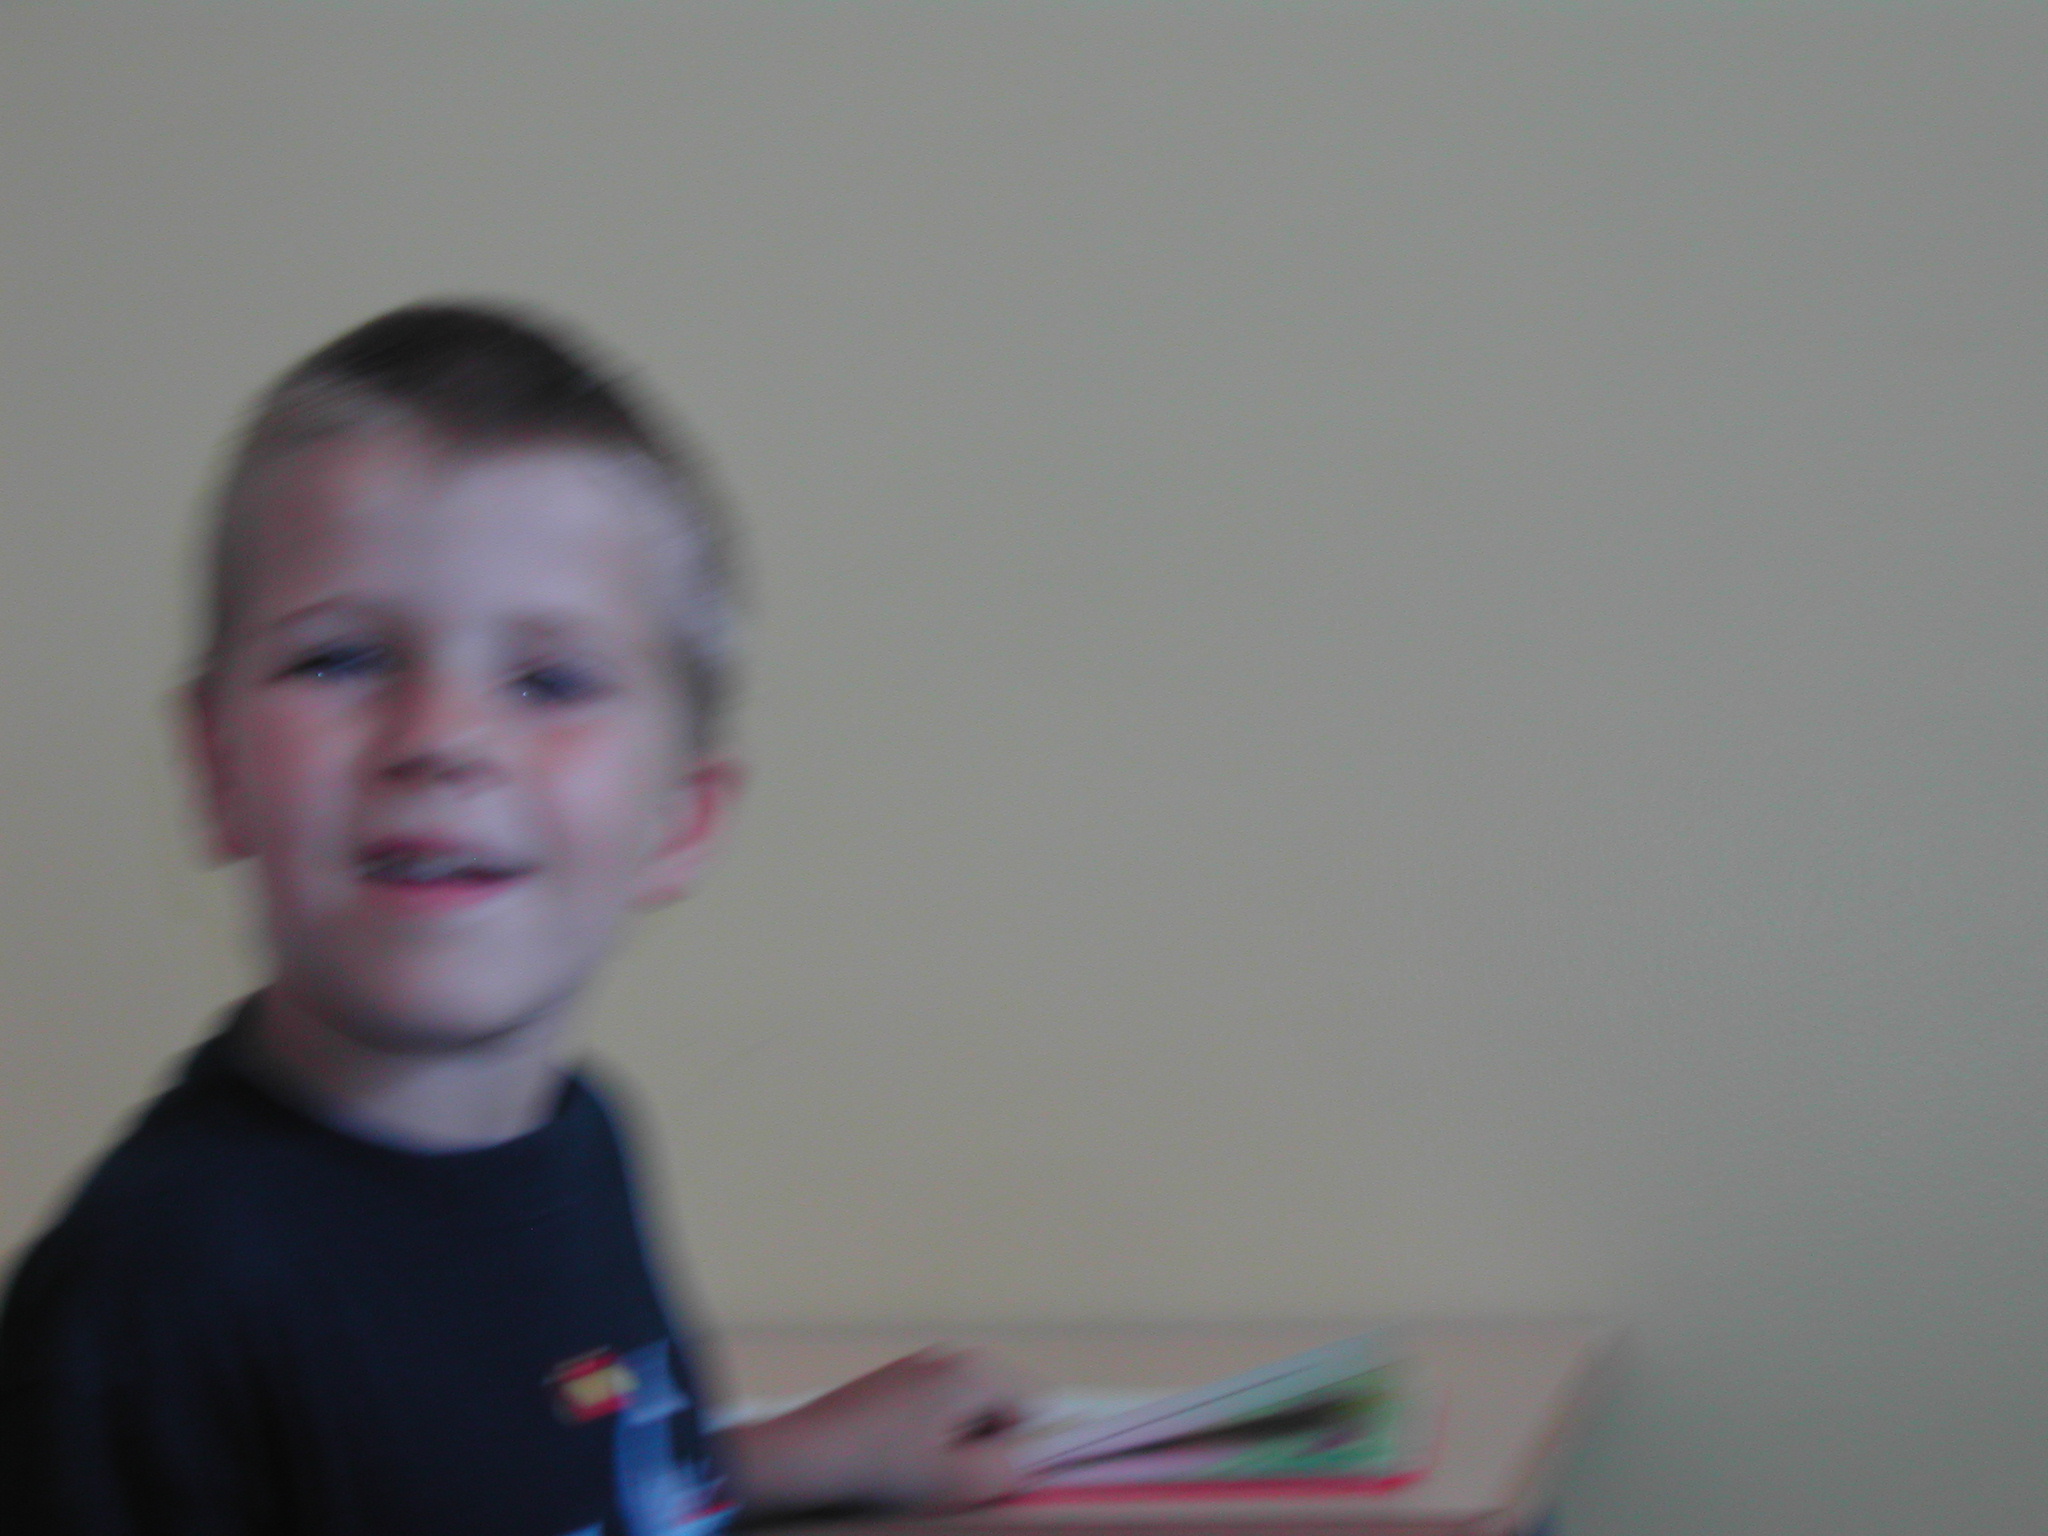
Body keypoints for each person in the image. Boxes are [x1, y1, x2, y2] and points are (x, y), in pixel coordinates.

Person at [0, 303, 1030, 1535]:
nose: (441, 738)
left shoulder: (583, 1140)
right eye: (341, 660)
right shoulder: (152, 1300)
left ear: (678, 820)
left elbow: (537, 1476)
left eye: (549, 680)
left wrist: (792, 1456)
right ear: (218, 769)